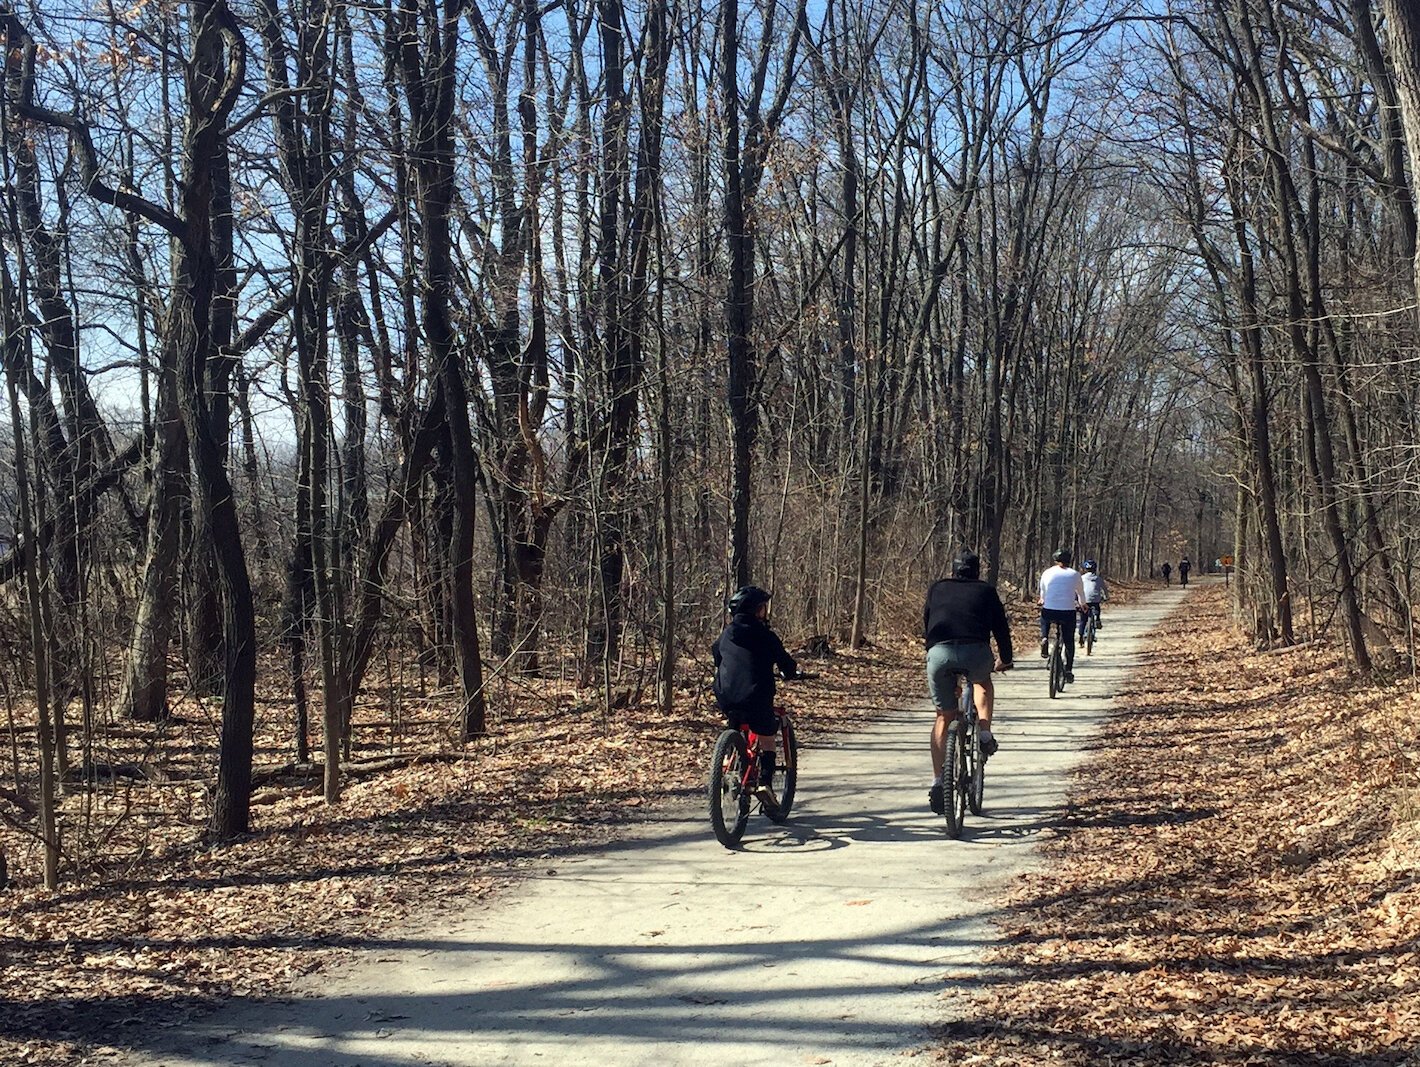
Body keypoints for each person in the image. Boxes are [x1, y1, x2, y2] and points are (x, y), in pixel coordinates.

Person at [923, 551, 1013, 815]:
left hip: (939, 652)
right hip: (976, 651)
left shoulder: (937, 588)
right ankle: (984, 732)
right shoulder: (986, 591)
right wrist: (1006, 659)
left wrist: (931, 650)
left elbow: (927, 622)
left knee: (943, 716)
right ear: (977, 571)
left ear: (953, 570)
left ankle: (939, 780)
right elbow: (1001, 629)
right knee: (982, 682)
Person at [712, 585, 802, 814]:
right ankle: (764, 782)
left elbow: (717, 655)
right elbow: (785, 663)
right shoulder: (765, 635)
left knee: (737, 723)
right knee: (766, 735)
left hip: (727, 696)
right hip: (757, 696)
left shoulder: (726, 635)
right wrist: (791, 672)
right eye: (763, 608)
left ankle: (728, 766)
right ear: (756, 611)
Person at [1039, 549, 1085, 682]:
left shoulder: (1047, 573)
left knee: (1044, 617)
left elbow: (1043, 590)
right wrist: (1083, 604)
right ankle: (1069, 670)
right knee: (1069, 640)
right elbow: (1080, 593)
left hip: (1050, 610)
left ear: (1055, 560)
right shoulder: (1075, 574)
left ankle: (1044, 637)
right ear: (1069, 561)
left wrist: (1042, 599)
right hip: (1067, 611)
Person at [1077, 559, 1108, 646]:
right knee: (1097, 607)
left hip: (1084, 601)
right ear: (1095, 569)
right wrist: (1106, 598)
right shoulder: (1098, 579)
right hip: (1095, 600)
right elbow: (1105, 590)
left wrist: (1076, 598)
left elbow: (1077, 589)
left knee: (1083, 620)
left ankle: (1080, 637)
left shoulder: (1081, 578)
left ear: (1085, 569)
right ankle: (1097, 619)